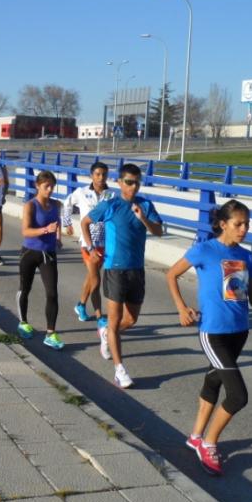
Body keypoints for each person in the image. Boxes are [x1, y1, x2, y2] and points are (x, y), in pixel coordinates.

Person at [166, 199, 252, 476]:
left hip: (239, 332)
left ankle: (195, 436)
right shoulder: (204, 250)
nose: (244, 229)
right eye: (238, 224)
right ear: (222, 224)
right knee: (238, 396)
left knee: (213, 381)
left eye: (247, 224)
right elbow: (172, 274)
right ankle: (209, 443)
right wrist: (182, 308)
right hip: (213, 333)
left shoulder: (247, 257)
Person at [81, 163, 163, 388]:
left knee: (131, 319)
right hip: (114, 268)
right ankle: (120, 370)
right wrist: (90, 248)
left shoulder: (145, 205)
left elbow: (159, 231)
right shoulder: (111, 205)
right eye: (129, 182)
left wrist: (143, 218)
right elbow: (85, 222)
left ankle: (107, 334)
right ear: (119, 182)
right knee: (115, 320)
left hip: (137, 269)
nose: (133, 187)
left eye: (137, 182)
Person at [61, 161, 114, 346]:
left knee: (92, 278)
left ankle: (81, 305)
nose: (101, 178)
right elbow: (66, 203)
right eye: (97, 174)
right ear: (92, 175)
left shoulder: (111, 194)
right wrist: (67, 223)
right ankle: (100, 317)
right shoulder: (82, 192)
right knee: (96, 280)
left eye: (104, 174)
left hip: (105, 243)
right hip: (87, 243)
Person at [16, 170, 64, 349]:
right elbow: (25, 231)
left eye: (52, 186)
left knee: (52, 293)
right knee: (25, 289)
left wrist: (58, 238)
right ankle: (23, 322)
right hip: (30, 252)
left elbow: (57, 223)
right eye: (46, 186)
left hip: (48, 254)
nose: (50, 190)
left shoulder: (56, 204)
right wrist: (45, 230)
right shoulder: (30, 205)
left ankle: (50, 333)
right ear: (37, 186)